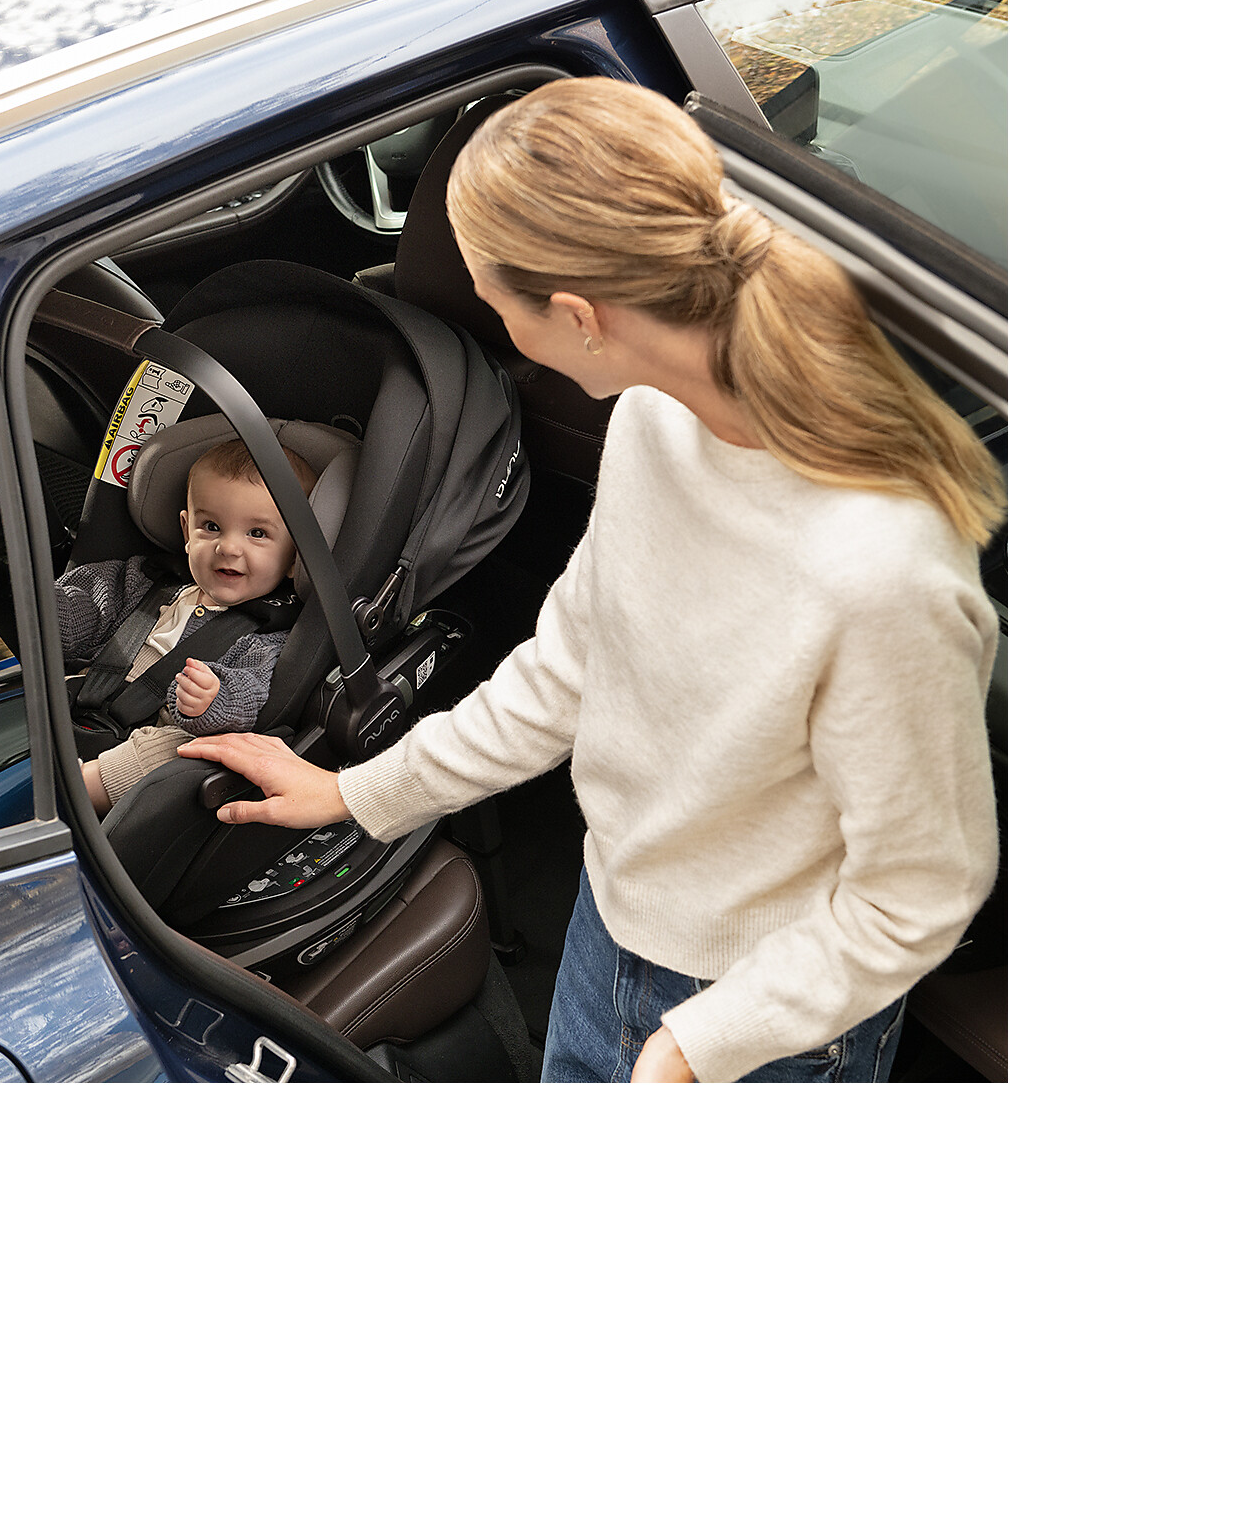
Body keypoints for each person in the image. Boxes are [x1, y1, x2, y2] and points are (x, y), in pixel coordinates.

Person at [183, 78, 1006, 1083]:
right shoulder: (657, 417)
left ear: (580, 317)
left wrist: (701, 1044)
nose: (495, 331)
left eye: (496, 307)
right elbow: (571, 664)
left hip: (776, 1013)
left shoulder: (879, 572)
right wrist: (358, 792)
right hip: (611, 920)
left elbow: (917, 893)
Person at [55, 437, 317, 816]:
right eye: (211, 526)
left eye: (257, 534)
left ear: (294, 558)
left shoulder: (267, 634)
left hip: (168, 731)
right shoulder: (145, 582)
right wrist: (51, 609)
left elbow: (252, 692)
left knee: (172, 752)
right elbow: (87, 608)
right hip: (87, 702)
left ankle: (74, 794)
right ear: (186, 531)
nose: (228, 548)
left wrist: (214, 698)